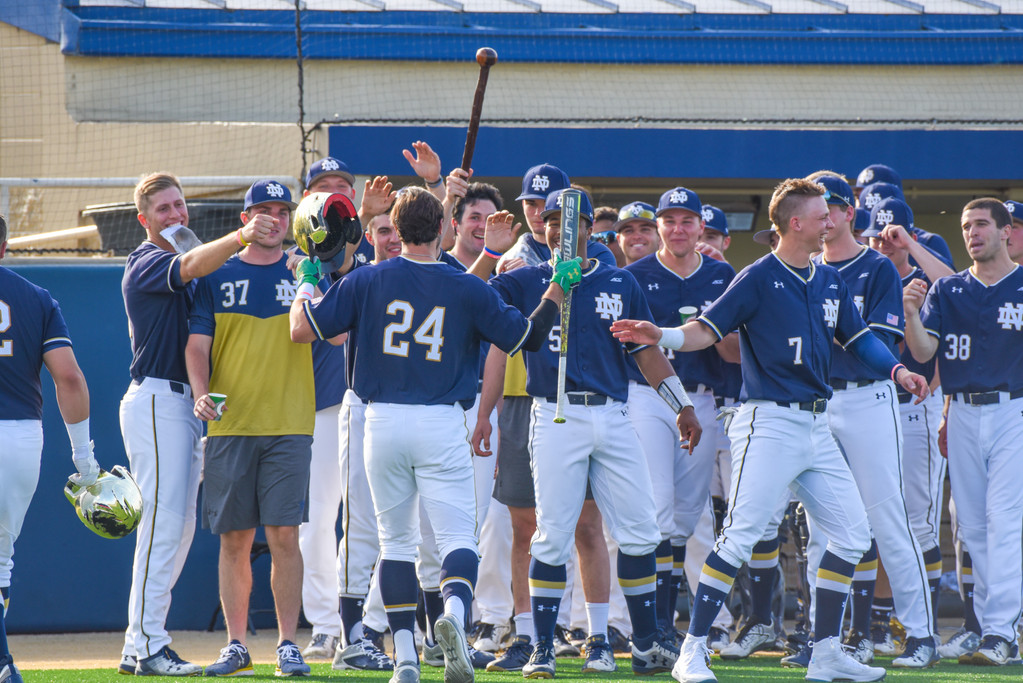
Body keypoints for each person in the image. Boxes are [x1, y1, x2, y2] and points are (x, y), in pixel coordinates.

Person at [612, 177, 929, 683]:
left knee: (851, 534)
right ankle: (692, 651)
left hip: (817, 423)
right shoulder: (758, 276)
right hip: (770, 422)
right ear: (796, 223)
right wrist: (664, 334)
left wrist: (897, 370)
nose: (831, 219)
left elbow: (861, 337)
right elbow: (706, 331)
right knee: (739, 536)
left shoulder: (828, 278)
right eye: (822, 213)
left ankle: (825, 652)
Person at [290, 185, 576, 683]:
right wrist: (557, 288)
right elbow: (524, 337)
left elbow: (303, 328)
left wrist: (308, 279)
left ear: (396, 232)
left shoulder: (369, 278)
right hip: (442, 420)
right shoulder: (467, 286)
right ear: (443, 229)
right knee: (456, 539)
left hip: (381, 422)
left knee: (394, 542)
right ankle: (454, 617)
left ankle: (404, 658)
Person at [479, 187, 701, 678]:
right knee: (552, 534)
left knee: (641, 531)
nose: (559, 227)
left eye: (570, 220)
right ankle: (542, 646)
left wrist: (682, 404)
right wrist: (511, 265)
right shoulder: (525, 279)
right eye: (552, 220)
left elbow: (645, 352)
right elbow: (490, 317)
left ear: (588, 227)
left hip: (614, 413)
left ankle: (643, 643)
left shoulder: (620, 282)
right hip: (555, 412)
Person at [118, 172, 275, 676]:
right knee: (164, 529)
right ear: (144, 220)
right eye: (162, 209)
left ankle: (137, 644)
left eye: (179, 206)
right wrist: (241, 235)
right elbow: (187, 264)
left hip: (183, 406)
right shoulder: (145, 260)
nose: (175, 215)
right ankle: (146, 646)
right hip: (158, 400)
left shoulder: (192, 263)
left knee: (176, 530)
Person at [185, 180, 314, 677]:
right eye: (263, 210)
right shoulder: (216, 273)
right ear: (244, 218)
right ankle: (236, 645)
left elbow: (338, 328)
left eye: (283, 211)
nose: (274, 219)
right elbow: (197, 345)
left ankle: (287, 644)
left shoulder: (306, 271)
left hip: (290, 422)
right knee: (235, 539)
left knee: (285, 534)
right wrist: (200, 390)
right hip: (230, 422)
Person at [807, 175, 936, 669]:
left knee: (888, 517)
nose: (826, 216)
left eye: (833, 206)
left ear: (849, 211)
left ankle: (921, 635)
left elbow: (878, 340)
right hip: (820, 402)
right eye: (818, 207)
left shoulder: (876, 266)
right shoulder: (804, 270)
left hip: (867, 397)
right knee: (825, 528)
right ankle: (825, 643)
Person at [903, 198, 1023, 666]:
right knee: (972, 529)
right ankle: (996, 629)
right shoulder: (949, 290)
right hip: (965, 411)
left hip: (1014, 409)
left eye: (981, 224)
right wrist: (912, 313)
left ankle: (999, 630)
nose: (972, 233)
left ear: (1006, 231)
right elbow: (923, 350)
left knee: (1005, 521)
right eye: (965, 226)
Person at [623, 188, 738, 651]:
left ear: (699, 225)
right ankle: (655, 626)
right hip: (648, 397)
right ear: (659, 227)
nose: (677, 229)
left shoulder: (722, 274)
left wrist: (710, 332)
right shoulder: (635, 275)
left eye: (686, 220)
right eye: (668, 221)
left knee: (689, 518)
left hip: (704, 396)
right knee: (657, 509)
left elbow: (733, 351)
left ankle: (677, 625)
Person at [0, 215, 99, 683]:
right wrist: (85, 460)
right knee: (1, 555)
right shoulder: (37, 298)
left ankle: (3, 661)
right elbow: (70, 377)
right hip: (20, 436)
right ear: (4, 249)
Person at [862, 196, 954, 655]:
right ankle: (876, 623)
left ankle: (923, 626)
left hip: (918, 405)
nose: (884, 243)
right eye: (876, 236)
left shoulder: (925, 279)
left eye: (891, 235)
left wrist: (911, 247)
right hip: (872, 407)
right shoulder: (862, 274)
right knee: (871, 522)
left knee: (917, 523)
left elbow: (960, 288)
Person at [614, 202, 661, 266]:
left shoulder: (675, 275)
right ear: (619, 239)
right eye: (628, 231)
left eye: (645, 229)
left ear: (659, 236)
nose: (636, 237)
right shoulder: (611, 276)